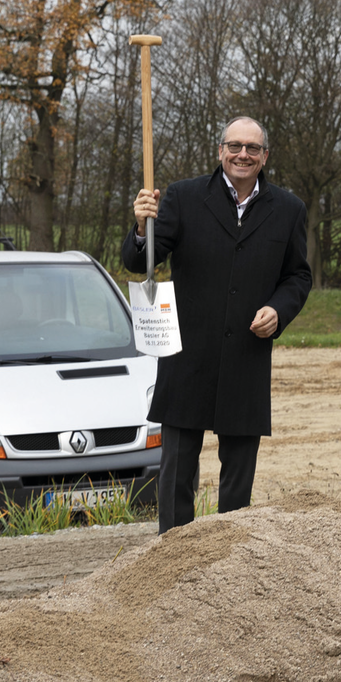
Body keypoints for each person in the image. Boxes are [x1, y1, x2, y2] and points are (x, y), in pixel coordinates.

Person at [121, 115, 313, 530]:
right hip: (187, 357)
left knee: (238, 484)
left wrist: (279, 310)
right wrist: (141, 227)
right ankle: (170, 558)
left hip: (247, 357)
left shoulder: (289, 209)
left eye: (252, 148)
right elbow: (140, 262)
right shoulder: (184, 197)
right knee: (175, 477)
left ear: (265, 156)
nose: (243, 154)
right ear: (220, 150)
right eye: (235, 146)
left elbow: (298, 275)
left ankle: (230, 564)